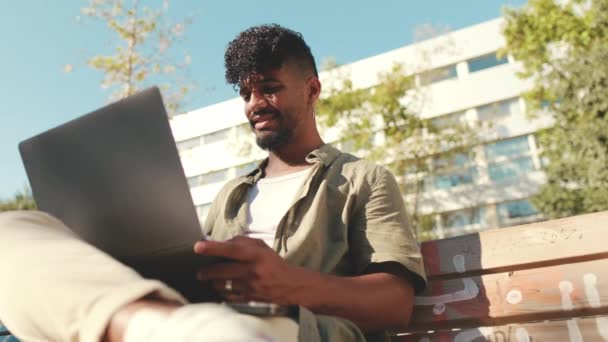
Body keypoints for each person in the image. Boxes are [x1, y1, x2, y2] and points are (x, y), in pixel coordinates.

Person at [0, 24, 426, 342]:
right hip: (194, 320)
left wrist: (290, 286)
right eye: (245, 94)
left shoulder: (361, 180)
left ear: (312, 90)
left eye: (270, 89)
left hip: (291, 328)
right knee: (11, 230)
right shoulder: (231, 196)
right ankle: (161, 326)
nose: (255, 105)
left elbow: (395, 303)